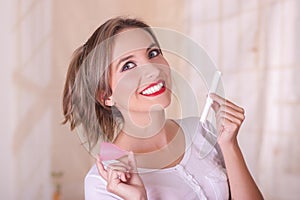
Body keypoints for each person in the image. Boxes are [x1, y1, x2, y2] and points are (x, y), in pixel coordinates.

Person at [62, 16, 263, 200]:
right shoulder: (103, 182)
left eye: (153, 53)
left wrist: (229, 145)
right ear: (106, 96)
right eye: (128, 65)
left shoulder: (202, 131)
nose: (152, 69)